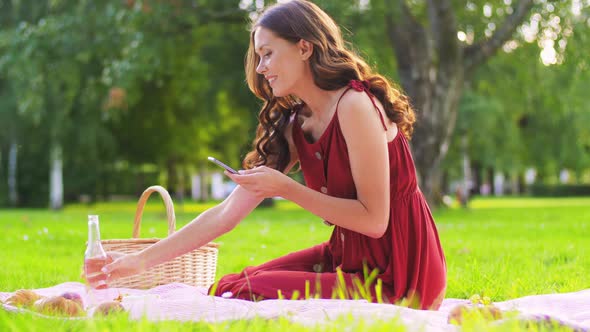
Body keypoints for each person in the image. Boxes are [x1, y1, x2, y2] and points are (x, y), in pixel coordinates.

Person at [94, 0, 446, 310]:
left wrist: (286, 188)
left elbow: (374, 221)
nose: (260, 68)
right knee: (234, 285)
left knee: (249, 290)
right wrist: (139, 261)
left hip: (400, 273)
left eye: (268, 53)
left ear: (305, 48)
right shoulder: (297, 124)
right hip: (347, 258)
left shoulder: (354, 105)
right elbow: (226, 214)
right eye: (259, 57)